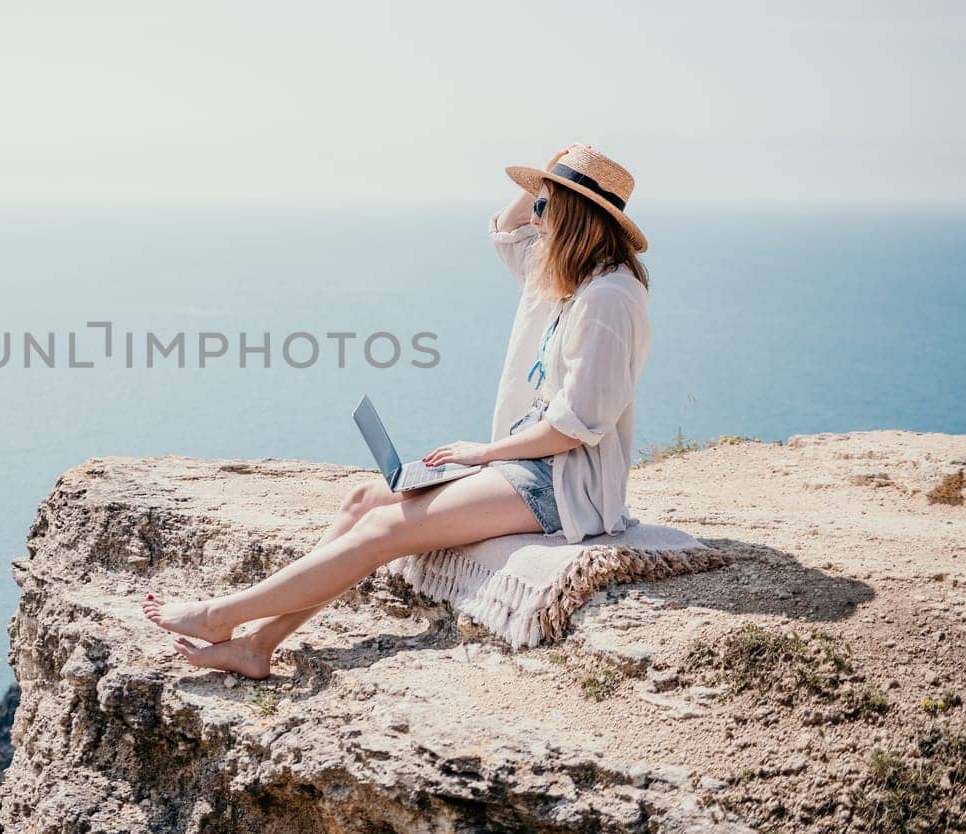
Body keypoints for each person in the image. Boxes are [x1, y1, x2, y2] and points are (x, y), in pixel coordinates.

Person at [141, 144, 653, 679]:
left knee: (384, 528)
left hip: (561, 482)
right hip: (527, 462)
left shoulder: (608, 300)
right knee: (364, 499)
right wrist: (547, 175)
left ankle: (218, 616)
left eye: (546, 206)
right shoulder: (568, 279)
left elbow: (577, 425)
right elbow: (507, 230)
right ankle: (258, 645)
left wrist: (484, 454)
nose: (536, 217)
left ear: (575, 217)